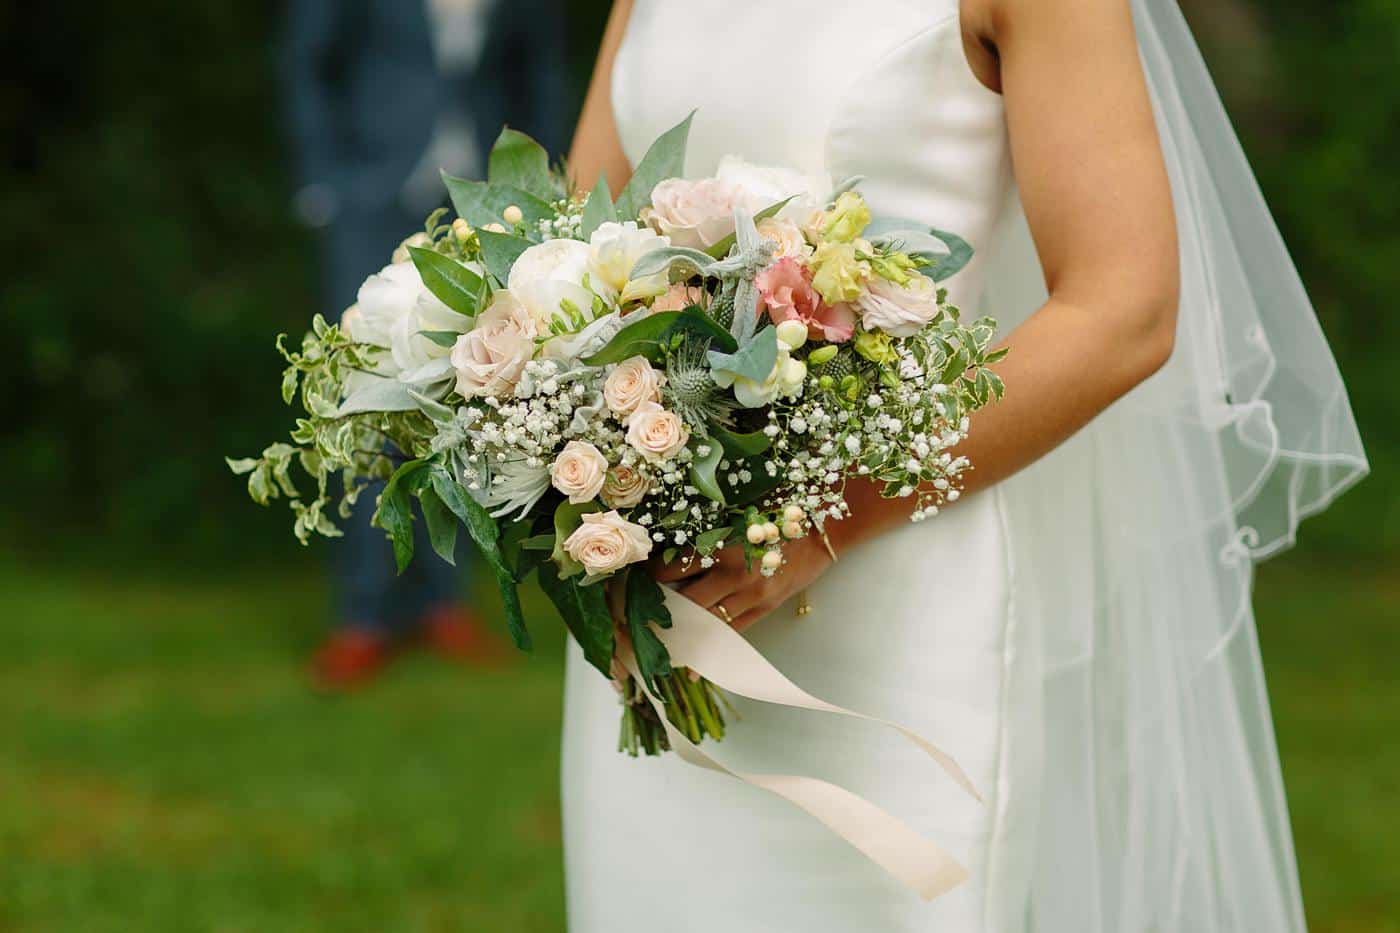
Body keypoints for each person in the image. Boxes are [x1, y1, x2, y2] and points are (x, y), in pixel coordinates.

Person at [561, 1, 1368, 931]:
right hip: (659, 606)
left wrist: (835, 509)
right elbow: (576, 242)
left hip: (893, 613)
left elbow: (1125, 309)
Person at [279, 0, 565, 688]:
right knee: (364, 397)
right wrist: (324, 181)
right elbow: (307, 62)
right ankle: (363, 615)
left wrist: (545, 185)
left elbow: (542, 72)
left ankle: (446, 602)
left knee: (473, 396)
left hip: (485, 205)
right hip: (371, 195)